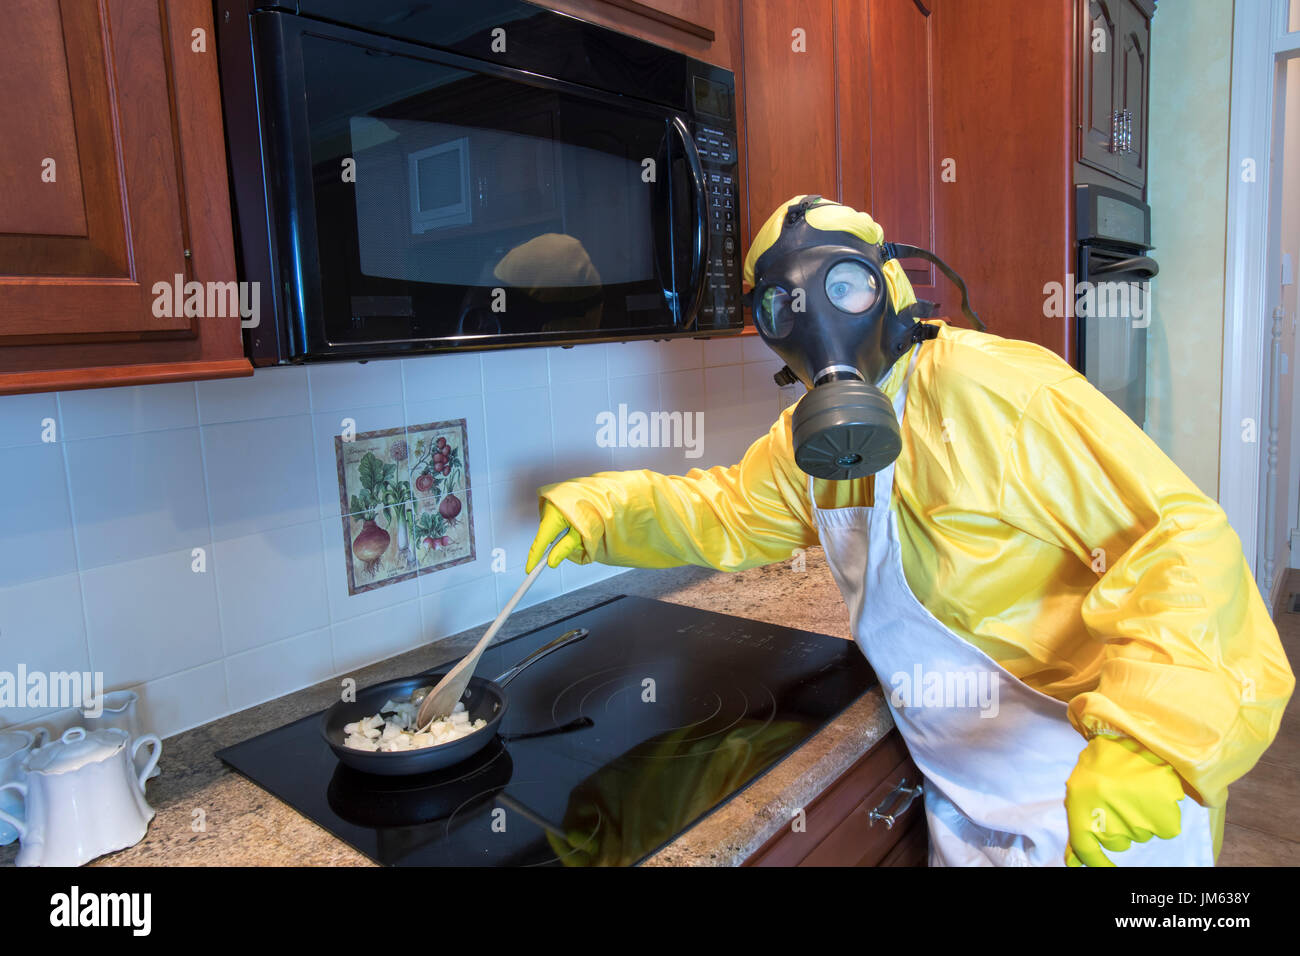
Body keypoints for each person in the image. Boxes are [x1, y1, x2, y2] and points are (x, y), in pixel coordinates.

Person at [526, 195, 1295, 866]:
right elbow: (728, 512)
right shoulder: (813, 440)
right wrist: (602, 514)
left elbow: (1178, 537)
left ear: (888, 283)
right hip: (966, 797)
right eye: (782, 310)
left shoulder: (1000, 390)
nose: (818, 324)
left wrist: (1149, 741)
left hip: (1099, 786)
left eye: (843, 286)